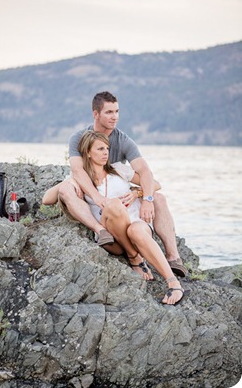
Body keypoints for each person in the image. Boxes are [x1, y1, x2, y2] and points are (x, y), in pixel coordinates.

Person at [42, 91, 187, 278]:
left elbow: (146, 173)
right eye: (109, 112)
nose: (115, 117)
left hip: (119, 193)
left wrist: (143, 196)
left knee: (157, 197)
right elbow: (77, 171)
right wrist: (95, 196)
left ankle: (173, 257)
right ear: (96, 114)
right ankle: (101, 232)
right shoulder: (79, 139)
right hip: (99, 199)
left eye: (117, 111)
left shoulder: (122, 145)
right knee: (68, 188)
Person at [77, 130, 188, 305]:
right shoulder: (81, 180)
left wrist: (137, 193)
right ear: (88, 153)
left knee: (136, 229)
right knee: (114, 205)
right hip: (112, 233)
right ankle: (135, 258)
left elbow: (155, 184)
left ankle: (174, 283)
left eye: (107, 148)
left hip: (136, 222)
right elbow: (51, 197)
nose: (106, 152)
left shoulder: (118, 169)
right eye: (100, 149)